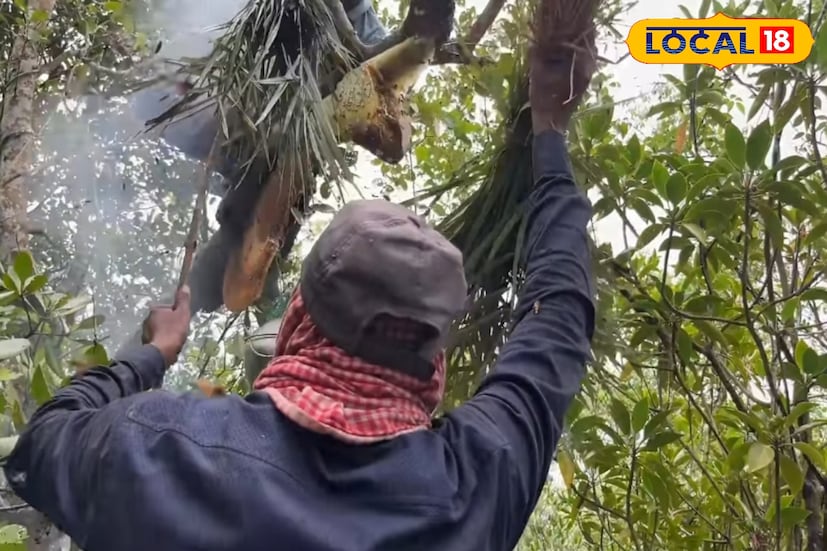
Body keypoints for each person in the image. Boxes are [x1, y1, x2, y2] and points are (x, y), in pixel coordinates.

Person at [3, 1, 598, 549]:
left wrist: (154, 354)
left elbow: (40, 443)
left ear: (297, 319)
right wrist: (550, 132)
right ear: (435, 363)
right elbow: (559, 317)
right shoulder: (473, 491)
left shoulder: (156, 446)